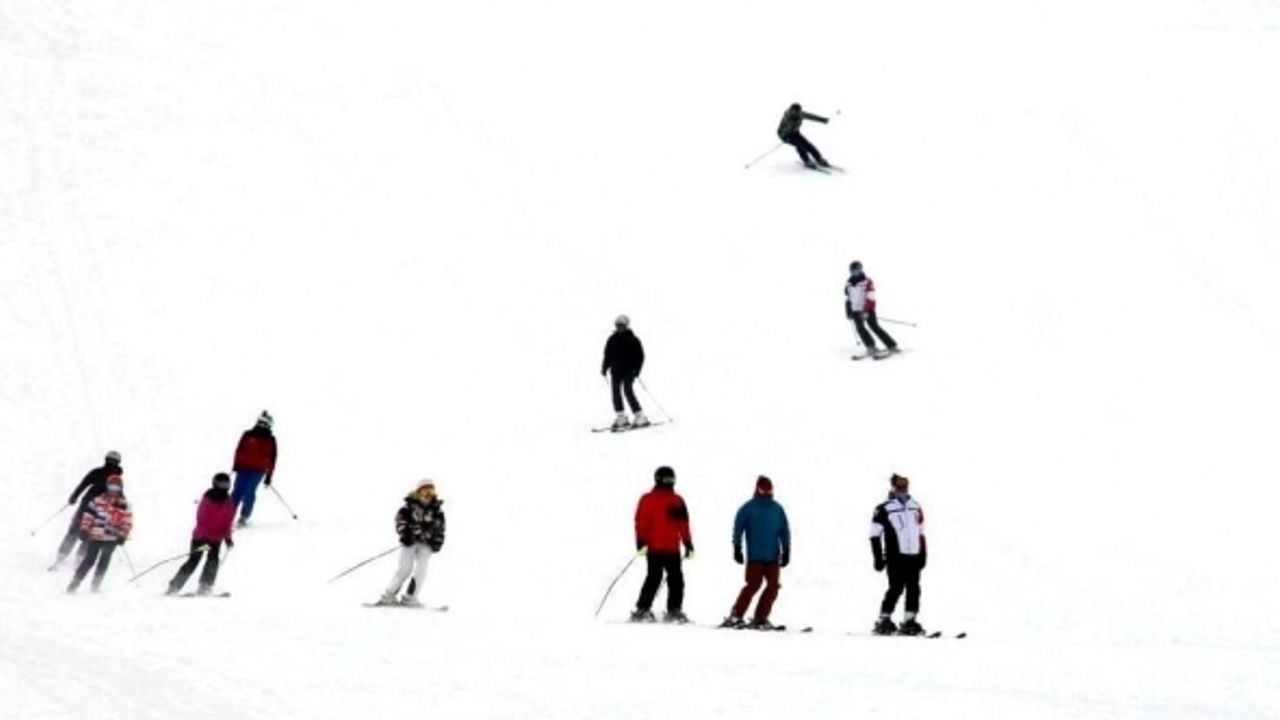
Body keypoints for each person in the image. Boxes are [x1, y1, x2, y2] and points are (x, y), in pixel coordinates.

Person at [722, 476, 791, 629]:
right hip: (755, 557)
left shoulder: (777, 509)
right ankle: (736, 615)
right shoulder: (748, 508)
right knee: (753, 584)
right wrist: (737, 547)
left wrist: (786, 549)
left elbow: (784, 530)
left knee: (773, 586)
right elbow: (738, 528)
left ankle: (761, 617)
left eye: (769, 490)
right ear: (757, 489)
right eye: (763, 490)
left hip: (773, 556)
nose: (766, 493)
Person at [630, 466, 695, 623]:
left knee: (676, 579)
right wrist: (640, 542)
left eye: (671, 479)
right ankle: (642, 609)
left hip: (672, 548)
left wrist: (687, 542)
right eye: (666, 479)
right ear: (658, 479)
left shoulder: (677, 500)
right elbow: (641, 522)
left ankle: (674, 610)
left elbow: (683, 524)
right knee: (654, 577)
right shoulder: (647, 499)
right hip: (653, 547)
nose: (669, 482)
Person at [869, 473, 927, 635]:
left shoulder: (915, 506)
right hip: (896, 555)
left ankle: (909, 620)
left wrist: (923, 553)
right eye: (900, 486)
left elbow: (921, 532)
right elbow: (874, 534)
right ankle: (884, 618)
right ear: (893, 487)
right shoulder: (884, 508)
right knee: (896, 587)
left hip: (913, 555)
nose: (903, 489)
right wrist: (878, 557)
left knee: (914, 588)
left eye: (905, 485)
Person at [375, 479, 446, 607]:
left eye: (431, 491)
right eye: (425, 491)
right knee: (405, 569)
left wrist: (437, 540)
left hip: (426, 544)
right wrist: (405, 533)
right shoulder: (409, 506)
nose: (428, 494)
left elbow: (440, 528)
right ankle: (388, 596)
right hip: (411, 542)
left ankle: (410, 597)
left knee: (421, 571)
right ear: (418, 492)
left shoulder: (437, 511)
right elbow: (400, 521)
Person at [167, 473, 237, 595]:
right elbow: (201, 520)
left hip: (216, 540)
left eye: (226, 484)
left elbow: (228, 522)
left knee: (213, 560)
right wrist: (206, 538)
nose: (224, 487)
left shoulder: (228, 502)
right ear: (215, 483)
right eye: (221, 484)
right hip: (201, 539)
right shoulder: (207, 499)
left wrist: (228, 539)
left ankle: (205, 585)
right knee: (194, 560)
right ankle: (174, 586)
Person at [53, 450, 123, 568]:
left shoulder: (115, 478)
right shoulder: (98, 472)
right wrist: (74, 496)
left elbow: (119, 494)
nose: (110, 463)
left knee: (89, 532)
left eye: (113, 462)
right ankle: (63, 556)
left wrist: (118, 508)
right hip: (88, 505)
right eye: (109, 460)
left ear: (117, 463)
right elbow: (84, 484)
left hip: (101, 508)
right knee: (77, 529)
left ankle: (79, 558)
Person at [67, 471, 132, 593]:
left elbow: (127, 521)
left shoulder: (124, 505)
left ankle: (96, 584)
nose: (113, 490)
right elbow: (88, 516)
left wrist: (123, 535)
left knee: (104, 561)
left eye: (116, 487)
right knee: (89, 560)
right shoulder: (97, 501)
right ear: (107, 487)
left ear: (121, 488)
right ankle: (74, 583)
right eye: (111, 487)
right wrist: (85, 529)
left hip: (112, 538)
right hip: (96, 536)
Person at [231, 410, 278, 527]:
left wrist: (269, 476)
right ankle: (228, 515)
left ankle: (244, 516)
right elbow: (239, 450)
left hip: (258, 470)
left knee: (248, 492)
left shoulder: (271, 440)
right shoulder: (248, 434)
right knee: (237, 492)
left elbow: (272, 459)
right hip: (243, 468)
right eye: (260, 422)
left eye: (265, 424)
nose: (262, 425)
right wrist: (236, 464)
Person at [600, 315, 648, 431]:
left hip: (628, 371)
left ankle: (640, 416)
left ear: (626, 326)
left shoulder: (633, 339)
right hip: (615, 371)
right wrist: (604, 367)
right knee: (615, 393)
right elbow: (607, 355)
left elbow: (640, 356)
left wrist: (636, 370)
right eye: (617, 326)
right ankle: (621, 417)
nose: (619, 328)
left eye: (622, 326)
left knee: (628, 391)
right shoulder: (612, 339)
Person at [845, 261, 899, 359]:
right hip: (856, 310)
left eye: (859, 270)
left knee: (874, 327)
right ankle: (871, 346)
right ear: (851, 271)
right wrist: (848, 311)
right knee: (860, 328)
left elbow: (871, 297)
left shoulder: (867, 281)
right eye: (854, 271)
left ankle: (892, 345)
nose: (857, 272)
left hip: (867, 309)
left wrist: (866, 311)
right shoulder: (848, 284)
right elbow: (848, 299)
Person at [777, 102, 831, 169]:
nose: (796, 113)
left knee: (808, 145)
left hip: (795, 133)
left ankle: (819, 159)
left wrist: (822, 119)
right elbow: (780, 130)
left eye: (798, 111)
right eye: (794, 112)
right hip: (786, 135)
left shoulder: (800, 114)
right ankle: (807, 161)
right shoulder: (787, 117)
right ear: (791, 110)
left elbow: (811, 116)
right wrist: (785, 137)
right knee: (800, 145)